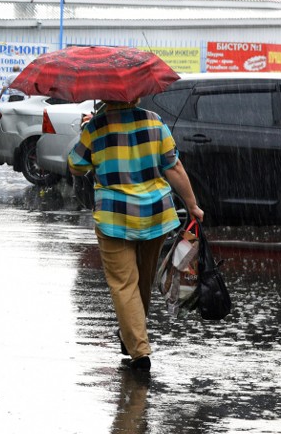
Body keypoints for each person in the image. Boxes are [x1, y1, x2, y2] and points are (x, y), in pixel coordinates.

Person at [68, 98, 203, 372]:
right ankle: (133, 336)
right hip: (154, 213)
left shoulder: (95, 126)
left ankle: (139, 351)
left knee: (123, 283)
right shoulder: (154, 121)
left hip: (113, 216)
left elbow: (76, 166)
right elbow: (173, 166)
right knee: (141, 279)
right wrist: (192, 204)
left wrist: (87, 132)